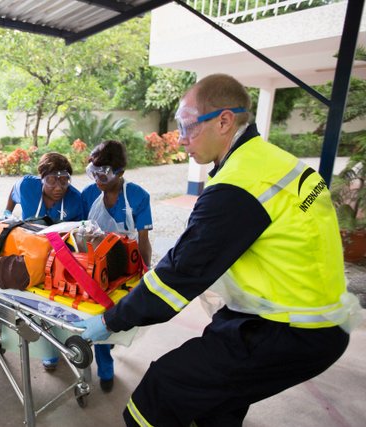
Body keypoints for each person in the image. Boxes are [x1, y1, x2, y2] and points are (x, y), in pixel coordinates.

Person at [75, 74, 360, 426]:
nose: (180, 140)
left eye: (187, 126)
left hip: (292, 329)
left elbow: (179, 276)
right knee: (217, 402)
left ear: (224, 121)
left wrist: (109, 320)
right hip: (292, 313)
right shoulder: (271, 161)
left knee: (162, 390)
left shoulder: (239, 185)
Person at [81, 139, 153, 393]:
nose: (97, 179)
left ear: (120, 172)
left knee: (111, 322)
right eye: (93, 172)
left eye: (103, 174)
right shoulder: (90, 194)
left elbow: (143, 241)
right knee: (95, 315)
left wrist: (145, 275)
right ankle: (91, 361)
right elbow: (74, 230)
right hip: (93, 265)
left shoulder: (137, 197)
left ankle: (106, 366)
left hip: (125, 267)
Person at [4, 152, 84, 370]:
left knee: (53, 305)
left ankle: (53, 349)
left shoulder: (76, 200)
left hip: (57, 257)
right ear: (41, 179)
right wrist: (7, 212)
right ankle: (42, 347)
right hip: (27, 248)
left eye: (64, 180)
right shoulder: (28, 186)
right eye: (51, 180)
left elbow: (79, 232)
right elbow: (13, 191)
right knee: (28, 303)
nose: (58, 187)